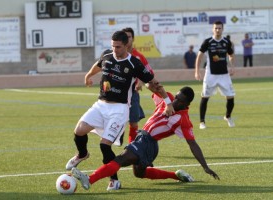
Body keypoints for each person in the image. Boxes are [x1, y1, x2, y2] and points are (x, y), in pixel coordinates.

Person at [65, 30, 174, 191]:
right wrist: (88, 75)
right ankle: (82, 154)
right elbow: (99, 64)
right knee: (79, 131)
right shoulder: (107, 55)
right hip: (100, 104)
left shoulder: (134, 64)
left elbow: (153, 83)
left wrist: (167, 102)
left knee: (105, 146)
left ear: (126, 45)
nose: (115, 50)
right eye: (113, 46)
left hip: (119, 109)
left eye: (118, 47)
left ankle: (114, 180)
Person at [71, 85, 220, 191]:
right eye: (177, 97)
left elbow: (192, 144)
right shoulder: (167, 99)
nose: (175, 101)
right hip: (142, 139)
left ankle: (89, 180)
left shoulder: (184, 120)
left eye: (180, 101)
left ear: (187, 104)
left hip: (148, 143)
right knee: (139, 174)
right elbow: (153, 86)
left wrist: (205, 166)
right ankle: (177, 175)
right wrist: (142, 82)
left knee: (121, 159)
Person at [195, 20, 236, 129]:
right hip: (210, 75)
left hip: (224, 74)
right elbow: (199, 56)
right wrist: (197, 71)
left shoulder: (226, 42)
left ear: (222, 29)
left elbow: (231, 55)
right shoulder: (207, 42)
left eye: (219, 28)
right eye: (216, 28)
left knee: (231, 97)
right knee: (205, 97)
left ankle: (228, 116)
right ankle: (202, 122)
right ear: (213, 29)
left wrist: (232, 66)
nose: (217, 30)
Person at [121, 27, 154, 144]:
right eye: (124, 37)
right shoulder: (116, 55)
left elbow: (150, 74)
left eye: (129, 37)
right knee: (115, 122)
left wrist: (140, 81)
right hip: (117, 94)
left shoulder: (139, 57)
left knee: (133, 123)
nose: (126, 39)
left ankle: (132, 148)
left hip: (133, 94)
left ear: (133, 39)